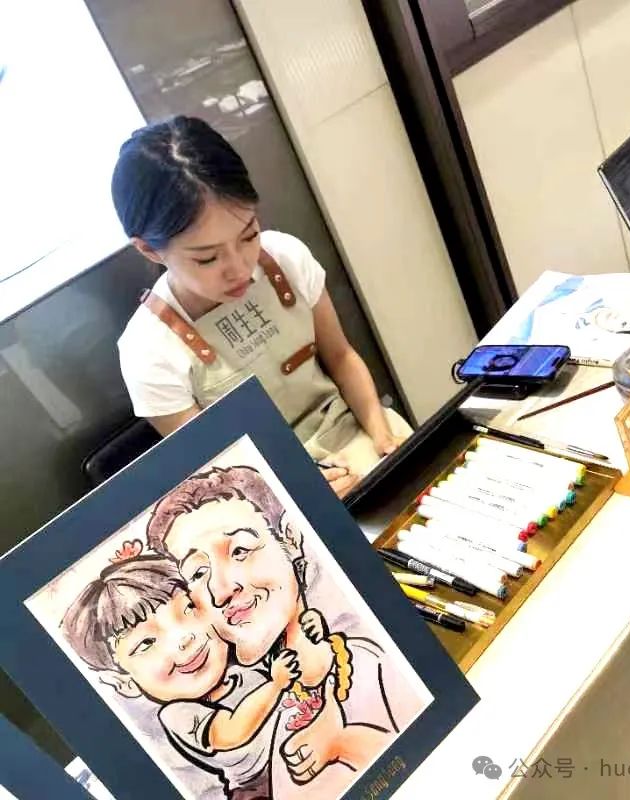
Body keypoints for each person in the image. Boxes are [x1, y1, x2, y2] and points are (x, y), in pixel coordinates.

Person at [114, 116, 411, 498]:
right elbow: (217, 475)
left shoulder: (285, 257)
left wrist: (383, 438)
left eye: (249, 234)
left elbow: (341, 357)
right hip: (270, 494)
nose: (239, 267)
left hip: (357, 435)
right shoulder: (147, 351)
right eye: (207, 258)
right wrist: (303, 492)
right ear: (149, 249)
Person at [147, 465, 423, 799]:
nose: (220, 591)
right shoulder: (272, 693)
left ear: (290, 540)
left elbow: (436, 741)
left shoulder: (365, 661)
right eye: (198, 573)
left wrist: (341, 743)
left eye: (240, 551)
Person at [60, 554, 330, 800]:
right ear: (124, 683)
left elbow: (299, 667)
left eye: (188, 609)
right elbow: (232, 732)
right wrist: (275, 685)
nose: (185, 638)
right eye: (147, 643)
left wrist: (311, 632)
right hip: (261, 786)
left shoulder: (242, 663)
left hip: (310, 747)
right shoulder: (177, 714)